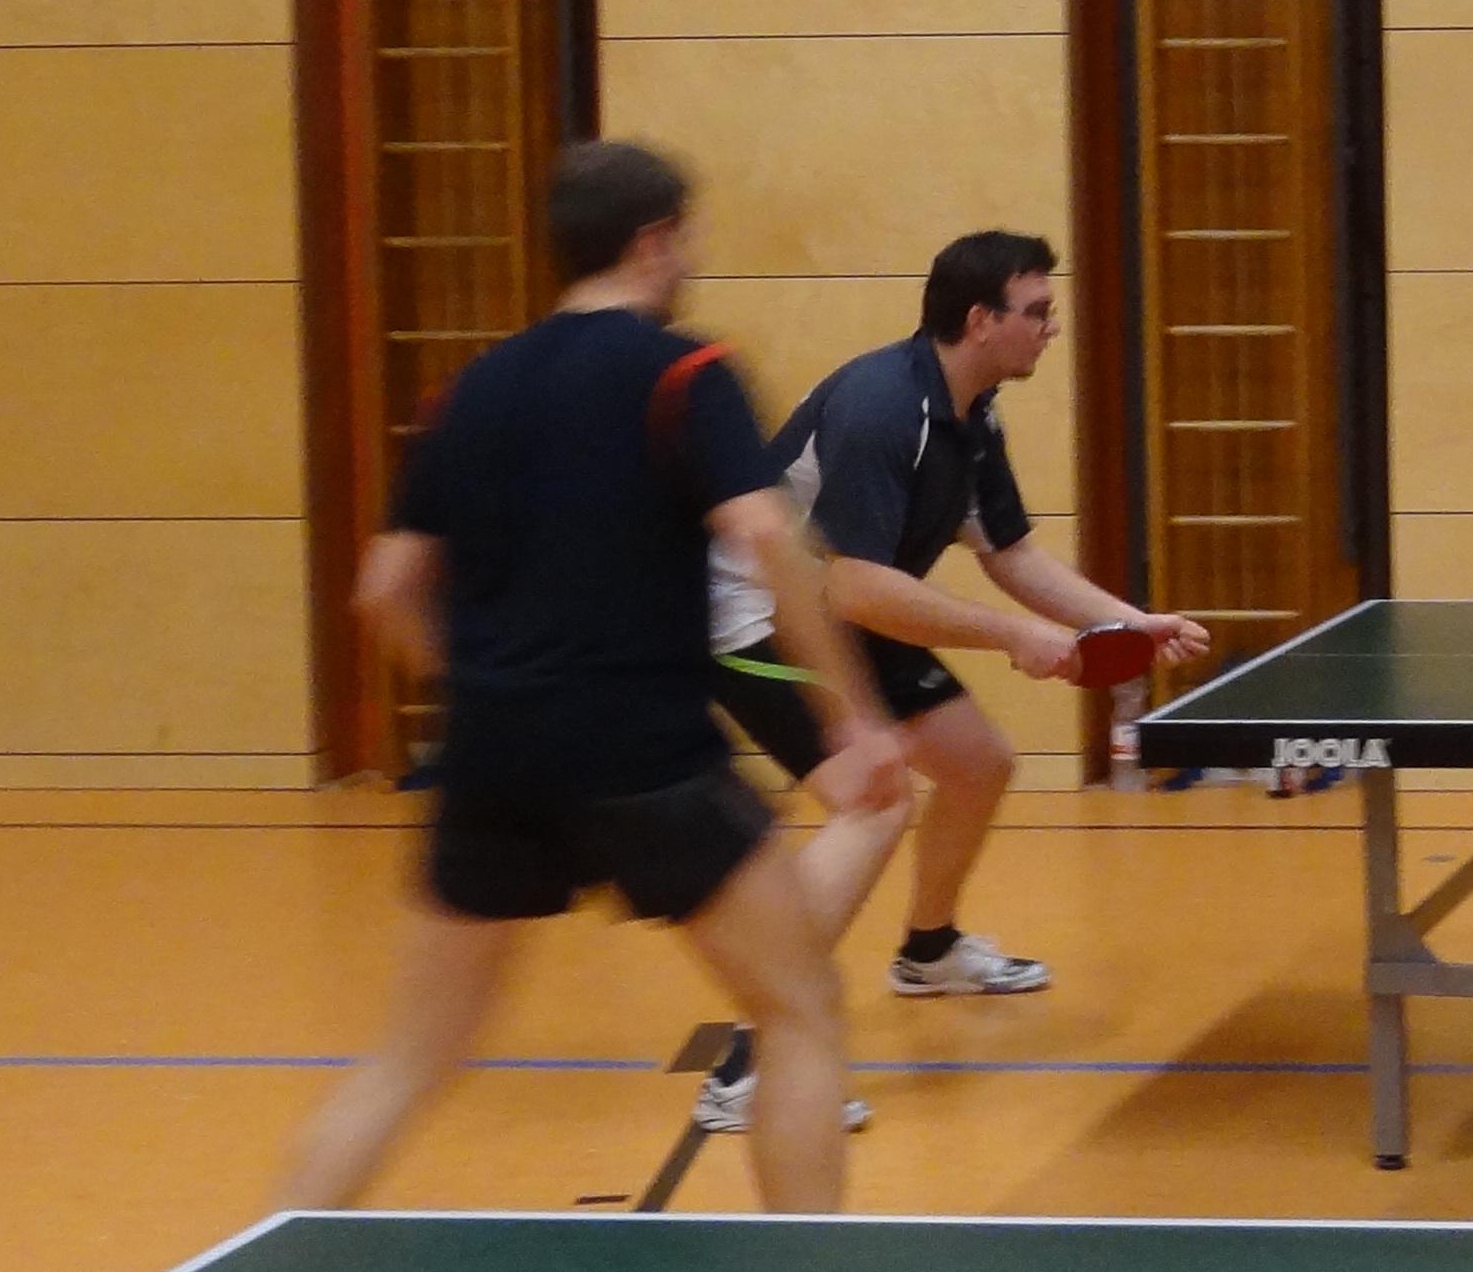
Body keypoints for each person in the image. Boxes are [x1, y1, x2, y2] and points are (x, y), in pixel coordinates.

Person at [283, 142, 903, 1213]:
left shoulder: (470, 390)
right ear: (653, 241)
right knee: (800, 1010)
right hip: (644, 755)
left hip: (490, 760)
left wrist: (488, 686)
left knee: (409, 1062)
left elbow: (383, 591)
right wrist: (850, 716)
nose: (691, 258)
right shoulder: (685, 374)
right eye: (686, 237)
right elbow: (770, 538)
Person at [688, 231, 1203, 1129]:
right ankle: (751, 1064)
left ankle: (927, 951)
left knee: (977, 765)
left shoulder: (973, 413)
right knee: (875, 801)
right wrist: (1014, 638)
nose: (1051, 327)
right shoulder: (884, 409)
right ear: (981, 319)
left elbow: (1011, 554)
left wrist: (1125, 621)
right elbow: (855, 584)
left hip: (843, 612)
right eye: (1036, 312)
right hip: (754, 621)